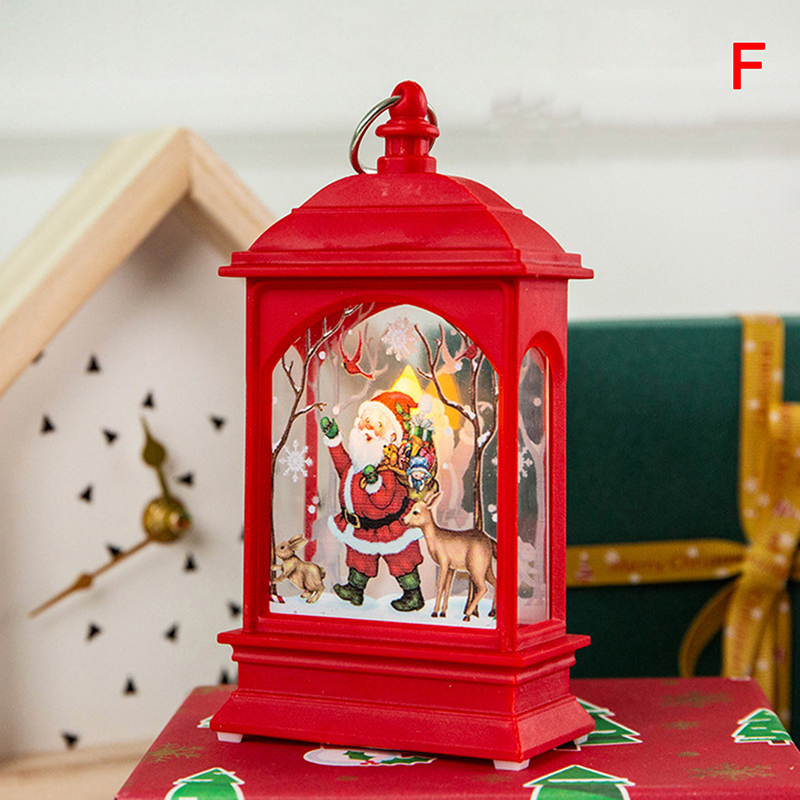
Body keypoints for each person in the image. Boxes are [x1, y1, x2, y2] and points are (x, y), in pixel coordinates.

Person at [320, 391, 424, 612]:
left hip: (390, 528)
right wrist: (334, 441)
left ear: (389, 437)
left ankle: (412, 594)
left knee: (401, 559)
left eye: (376, 424)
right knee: (359, 558)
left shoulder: (387, 469)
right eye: (365, 420)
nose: (367, 427)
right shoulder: (357, 463)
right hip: (361, 527)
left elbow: (384, 499)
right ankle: (355, 590)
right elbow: (342, 466)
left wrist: (374, 483)